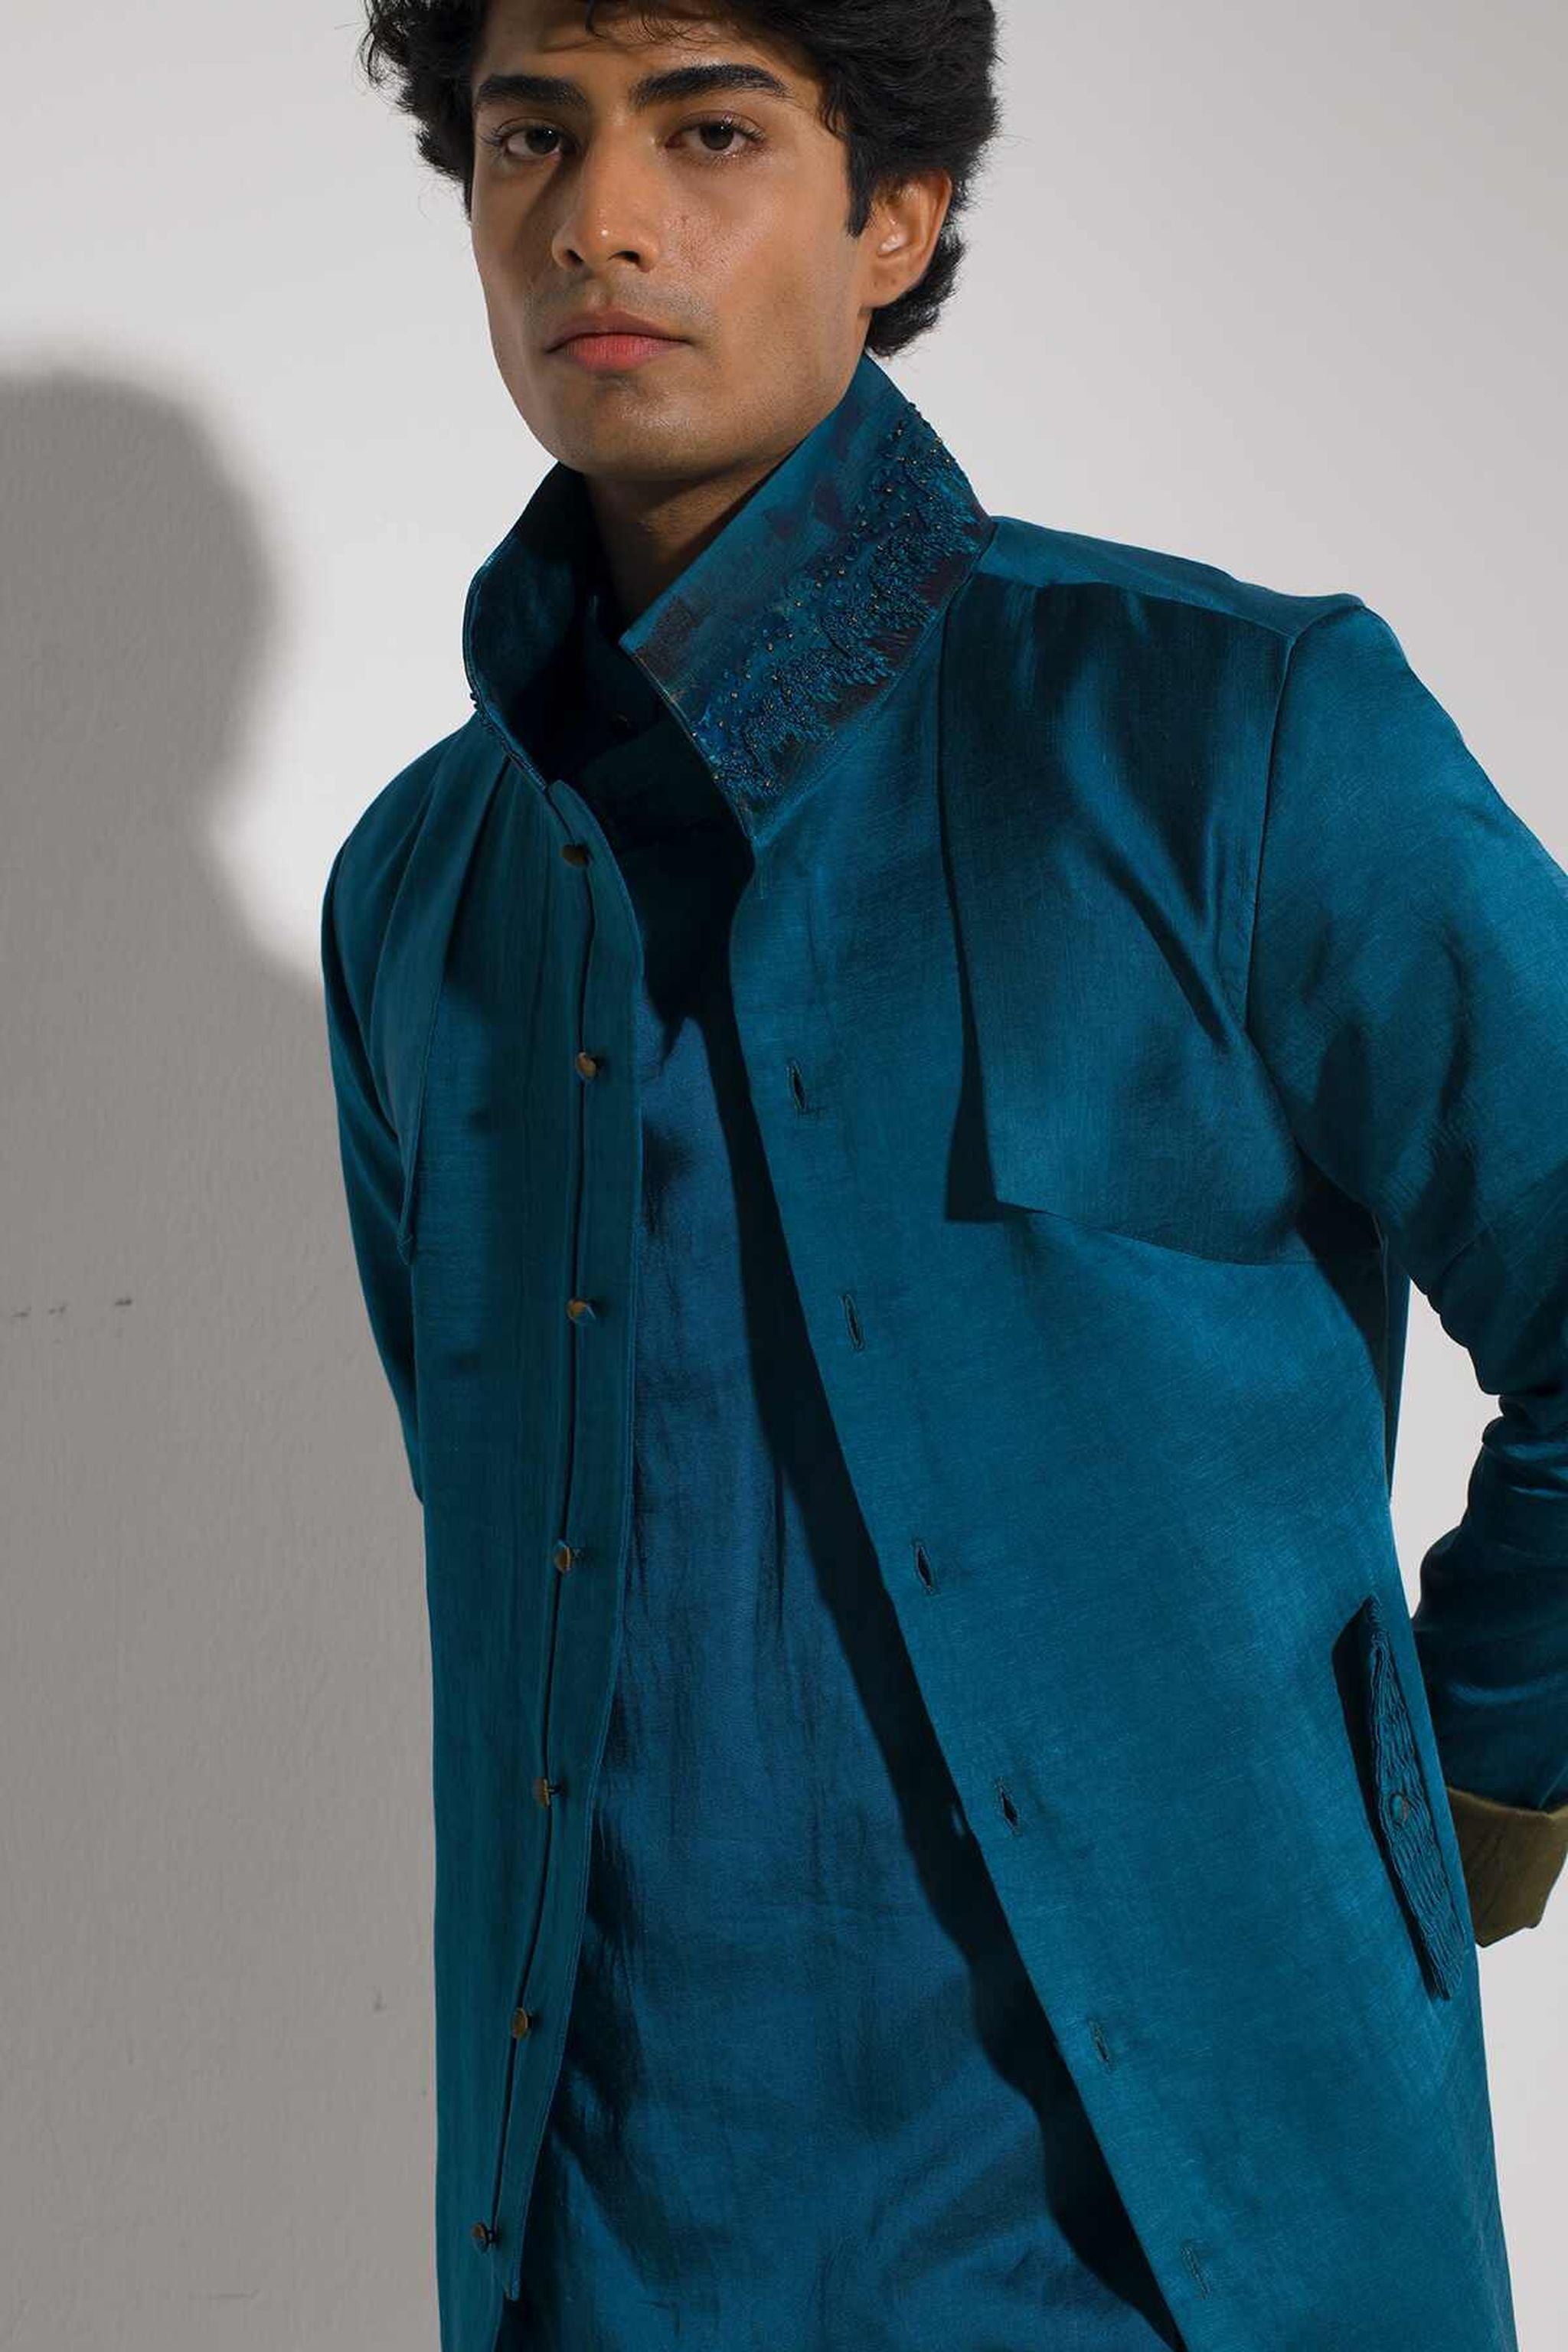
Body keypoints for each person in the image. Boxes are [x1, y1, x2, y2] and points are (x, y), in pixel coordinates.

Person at [322, 4, 1568, 2347]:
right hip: (613, 2263)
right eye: (531, 136)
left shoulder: (1228, 735)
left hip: (1187, 2263)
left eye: (710, 131)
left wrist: (1475, 1774)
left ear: (896, 214)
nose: (598, 218)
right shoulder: (421, 900)